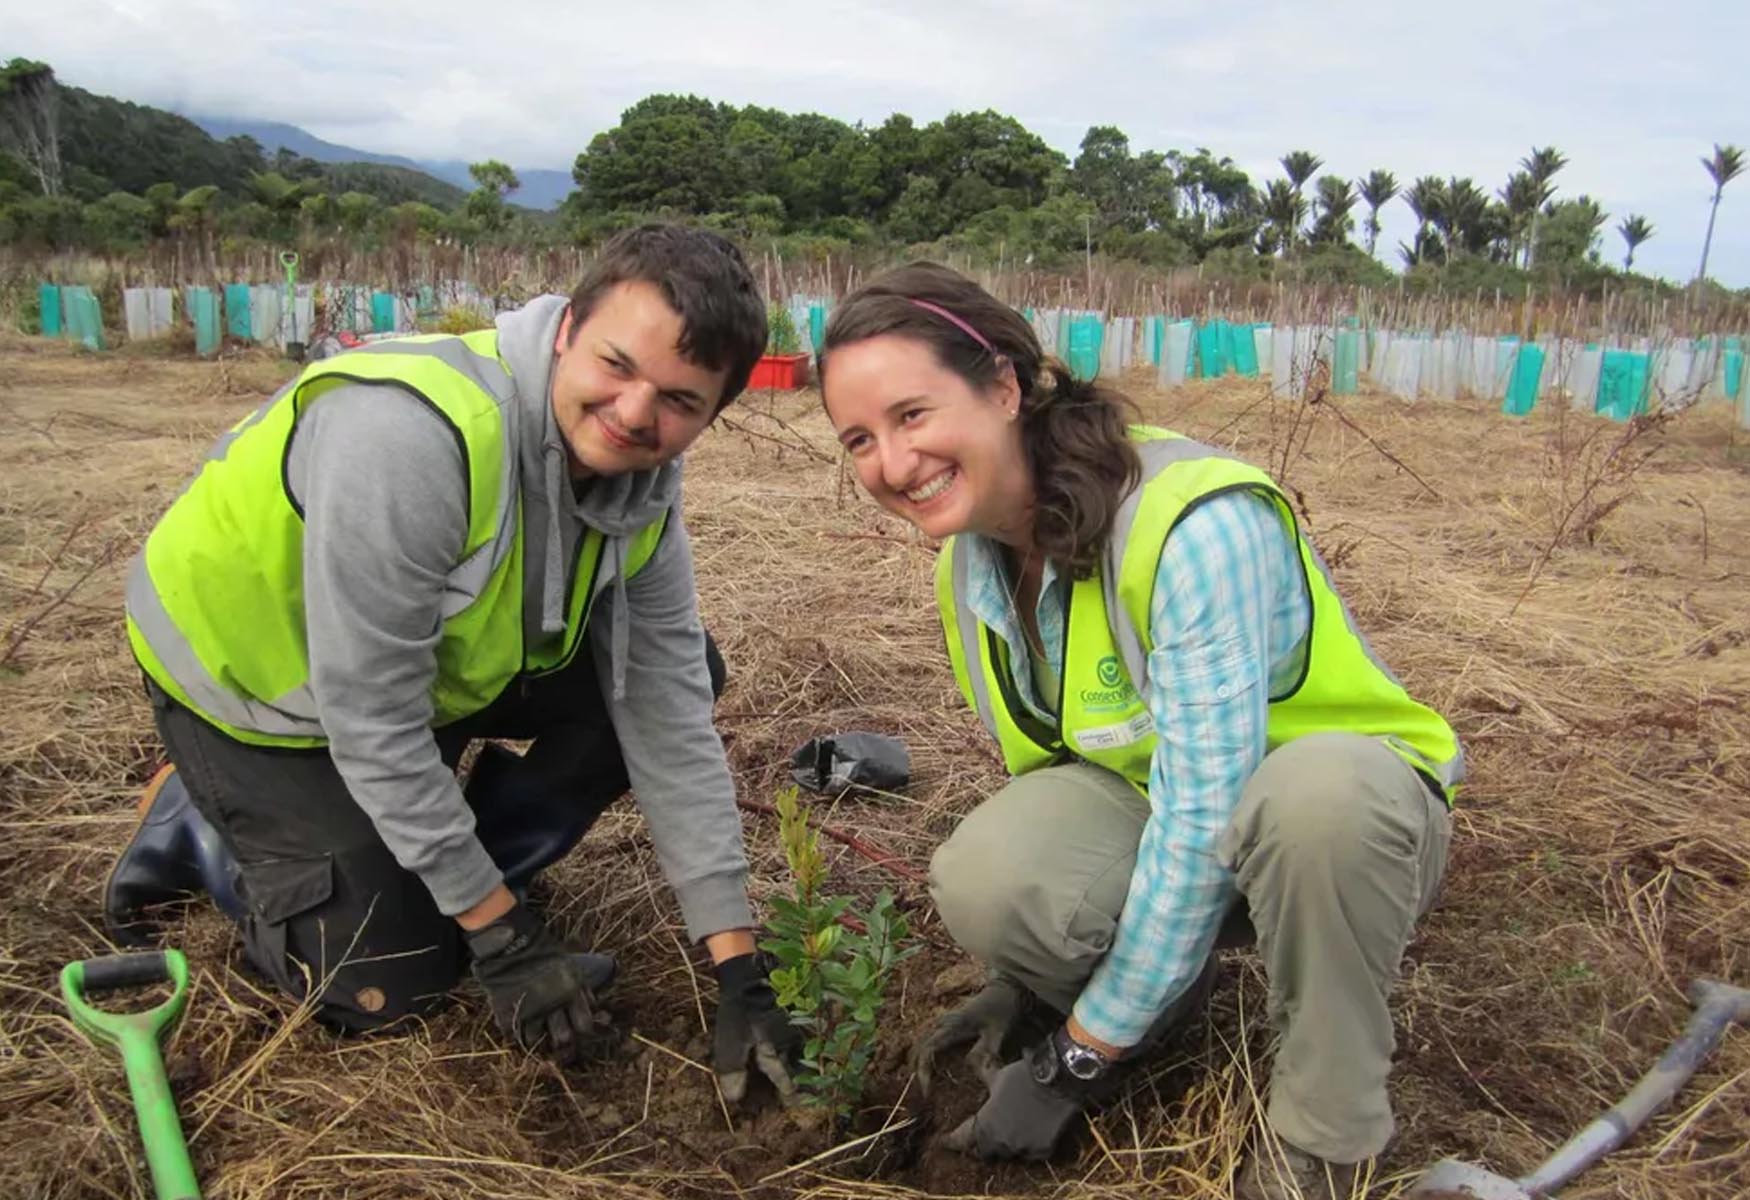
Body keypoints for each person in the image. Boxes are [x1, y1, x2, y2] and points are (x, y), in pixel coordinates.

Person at [105, 223, 799, 1102]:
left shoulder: (642, 494)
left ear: (713, 414)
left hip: (418, 677)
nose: (634, 413)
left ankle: (451, 884)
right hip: (259, 698)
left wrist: (740, 970)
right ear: (566, 329)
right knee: (385, 986)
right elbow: (371, 718)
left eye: (678, 400)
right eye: (616, 365)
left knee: (683, 669)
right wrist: (504, 940)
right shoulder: (412, 438)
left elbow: (665, 708)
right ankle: (199, 818)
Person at [817, 263, 1460, 1198]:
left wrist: (1077, 1060)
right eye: (859, 440)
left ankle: (1326, 1134)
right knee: (991, 875)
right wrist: (1029, 984)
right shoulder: (972, 567)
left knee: (1316, 805)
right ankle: (1159, 994)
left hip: (1343, 824)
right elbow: (1054, 774)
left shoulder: (1192, 521)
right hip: (1173, 810)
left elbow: (1206, 818)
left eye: (912, 415)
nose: (891, 463)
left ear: (1003, 385)